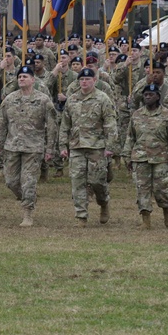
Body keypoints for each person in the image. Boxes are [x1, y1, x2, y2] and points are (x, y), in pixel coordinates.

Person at [0, 65, 57, 228]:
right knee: (11, 181)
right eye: (19, 76)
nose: (21, 79)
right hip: (12, 146)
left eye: (25, 76)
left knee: (28, 182)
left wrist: (50, 149)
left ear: (33, 80)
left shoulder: (43, 100)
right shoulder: (10, 99)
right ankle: (28, 198)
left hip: (33, 148)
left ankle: (28, 213)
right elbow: (0, 123)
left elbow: (51, 126)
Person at [58, 68, 117, 227]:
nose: (84, 82)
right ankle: (81, 215)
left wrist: (110, 146)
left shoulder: (102, 98)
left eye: (87, 79)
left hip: (96, 146)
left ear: (94, 81)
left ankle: (103, 202)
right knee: (77, 181)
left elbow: (110, 123)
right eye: (81, 79)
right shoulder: (72, 99)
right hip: (76, 146)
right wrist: (63, 145)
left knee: (97, 181)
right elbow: (65, 124)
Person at [123, 84, 168, 229]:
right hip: (140, 156)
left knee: (160, 188)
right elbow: (130, 137)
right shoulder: (137, 115)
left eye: (151, 94)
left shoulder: (166, 114)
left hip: (161, 157)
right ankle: (145, 219)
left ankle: (166, 209)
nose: (147, 97)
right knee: (142, 188)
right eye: (145, 94)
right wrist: (127, 155)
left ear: (157, 97)